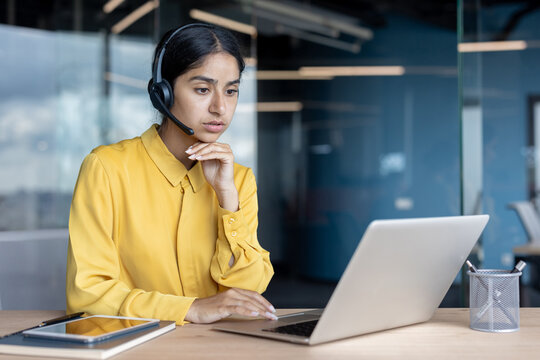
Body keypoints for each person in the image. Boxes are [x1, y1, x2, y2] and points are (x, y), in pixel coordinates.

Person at [66, 23, 275, 325]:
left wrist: (228, 201)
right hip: (136, 348)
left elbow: (246, 292)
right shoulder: (107, 168)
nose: (220, 107)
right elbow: (88, 294)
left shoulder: (238, 180)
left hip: (216, 347)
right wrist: (190, 309)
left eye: (231, 91)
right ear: (162, 93)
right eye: (202, 89)